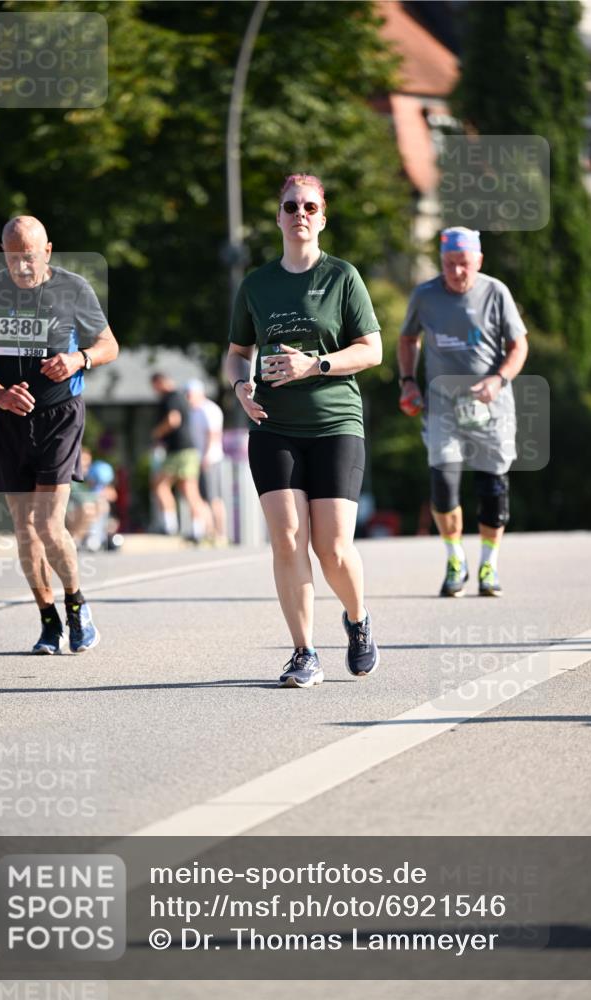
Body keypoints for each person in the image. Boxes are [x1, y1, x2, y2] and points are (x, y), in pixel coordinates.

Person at [225, 172, 382, 689]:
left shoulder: (342, 277)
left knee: (333, 548)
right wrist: (241, 388)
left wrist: (313, 365)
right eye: (291, 207)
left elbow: (371, 351)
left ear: (323, 216)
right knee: (288, 539)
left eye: (310, 207)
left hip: (336, 422)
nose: (300, 216)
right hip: (274, 426)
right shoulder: (257, 284)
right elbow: (237, 354)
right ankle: (304, 652)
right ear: (278, 217)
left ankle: (357, 622)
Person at [0, 215, 119, 652]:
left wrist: (79, 360)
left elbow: (110, 345)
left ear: (47, 251)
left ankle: (77, 605)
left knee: (49, 525)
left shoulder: (72, 288)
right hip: (9, 420)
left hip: (59, 416)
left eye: (29, 257)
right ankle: (48, 620)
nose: (22, 267)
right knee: (23, 530)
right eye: (12, 258)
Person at [397, 226, 529, 597]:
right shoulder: (425, 295)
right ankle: (455, 559)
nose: (456, 272)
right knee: (444, 486)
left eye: (464, 264)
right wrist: (407, 380)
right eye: (449, 264)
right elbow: (408, 338)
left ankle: (489, 565)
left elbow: (519, 345)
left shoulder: (495, 291)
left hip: (491, 406)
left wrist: (498, 379)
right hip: (443, 408)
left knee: (492, 488)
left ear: (479, 261)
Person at [149, 373, 212, 541]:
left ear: (159, 382)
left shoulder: (170, 397)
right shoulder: (181, 397)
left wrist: (157, 433)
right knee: (188, 490)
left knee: (161, 486)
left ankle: (170, 525)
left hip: (179, 450)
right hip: (187, 450)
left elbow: (173, 420)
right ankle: (196, 530)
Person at [185, 378, 228, 546]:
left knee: (214, 497)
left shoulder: (209, 409)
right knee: (202, 498)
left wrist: (207, 456)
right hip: (197, 459)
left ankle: (220, 534)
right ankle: (209, 532)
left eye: (190, 395)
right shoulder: (193, 411)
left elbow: (213, 434)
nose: (188, 398)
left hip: (211, 459)